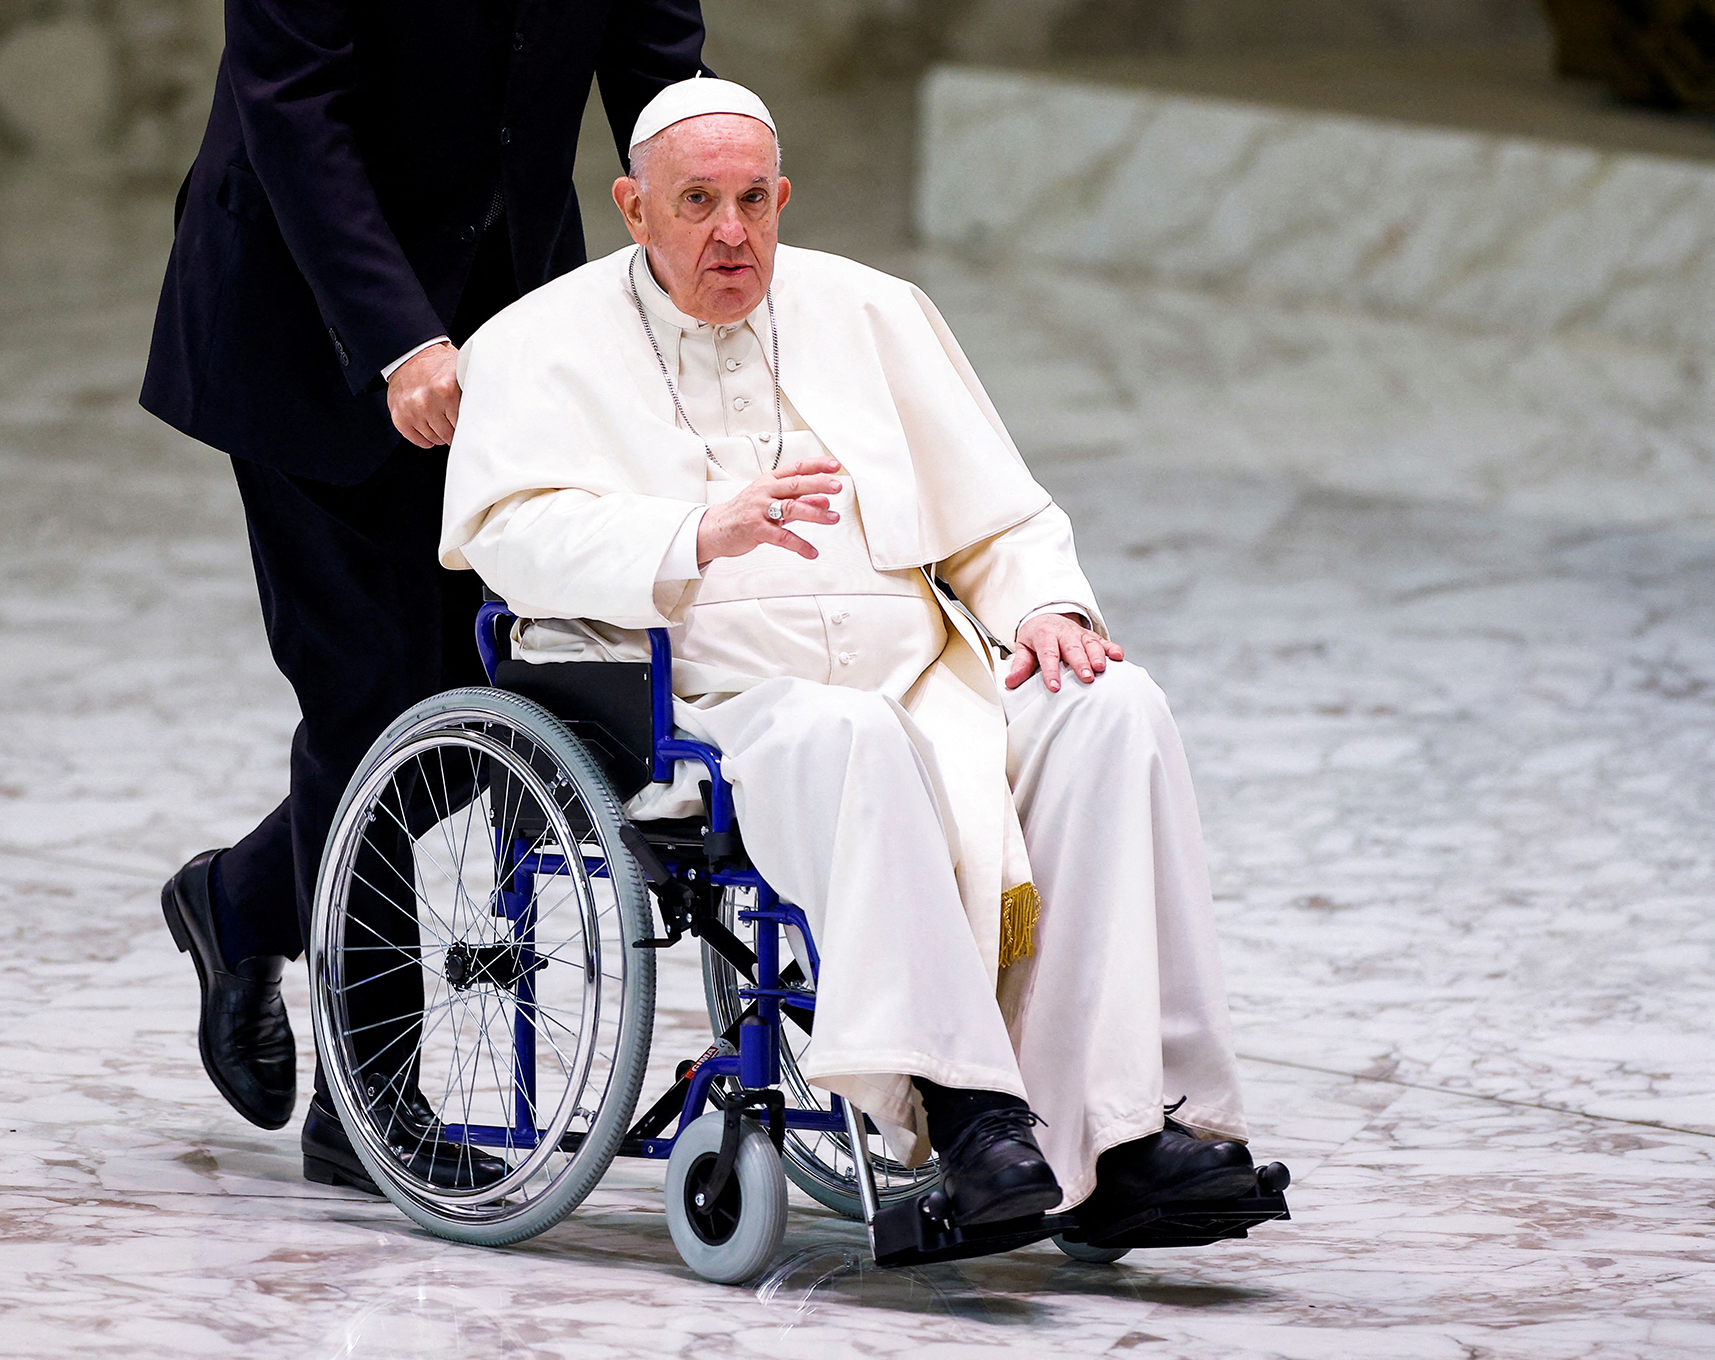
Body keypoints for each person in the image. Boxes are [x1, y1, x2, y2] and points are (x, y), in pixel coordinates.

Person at [440, 78, 1266, 1227]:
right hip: (715, 700)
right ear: (634, 210)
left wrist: (1045, 608)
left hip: (925, 674)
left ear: (781, 198)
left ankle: (1128, 1130)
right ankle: (972, 1112)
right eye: (696, 202)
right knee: (851, 732)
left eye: (751, 201)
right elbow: (506, 534)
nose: (732, 233)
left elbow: (1001, 517)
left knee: (1112, 706)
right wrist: (693, 532)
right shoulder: (537, 343)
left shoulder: (874, 311)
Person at [138, 0, 708, 1194]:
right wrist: (400, 339)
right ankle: (368, 1096)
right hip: (312, 308)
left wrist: (717, 235)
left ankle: (241, 901)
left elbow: (665, 81)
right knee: (372, 692)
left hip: (511, 312)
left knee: (491, 693)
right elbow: (292, 107)